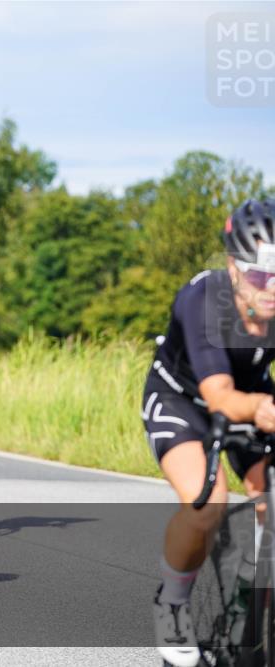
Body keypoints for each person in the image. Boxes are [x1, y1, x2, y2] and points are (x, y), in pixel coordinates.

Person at [142, 198, 275, 667]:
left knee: (269, 500)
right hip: (183, 399)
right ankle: (172, 602)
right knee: (207, 502)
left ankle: (251, 598)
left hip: (253, 393)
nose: (271, 288)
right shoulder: (203, 298)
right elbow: (219, 397)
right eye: (259, 276)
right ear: (233, 268)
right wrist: (261, 408)